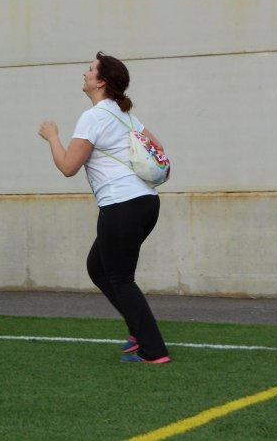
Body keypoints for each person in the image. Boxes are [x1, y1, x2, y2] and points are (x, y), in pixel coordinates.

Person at [38, 52, 170, 364]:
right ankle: (138, 331)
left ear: (101, 82)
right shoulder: (125, 116)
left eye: (90, 70)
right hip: (146, 203)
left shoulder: (94, 117)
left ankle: (153, 350)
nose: (85, 73)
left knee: (121, 278)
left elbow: (69, 166)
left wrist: (53, 137)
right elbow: (159, 148)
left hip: (121, 206)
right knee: (99, 268)